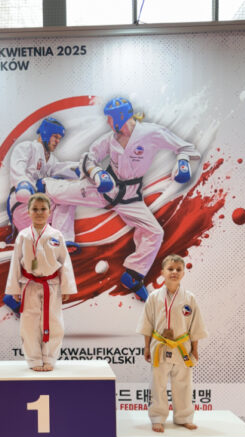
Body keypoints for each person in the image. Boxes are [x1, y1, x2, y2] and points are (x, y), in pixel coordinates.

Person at [39, 97, 201, 301]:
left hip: (130, 197)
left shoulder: (151, 133)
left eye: (110, 118)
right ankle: (43, 185)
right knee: (60, 193)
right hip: (104, 189)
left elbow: (185, 148)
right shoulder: (110, 139)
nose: (108, 122)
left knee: (155, 232)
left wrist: (182, 162)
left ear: (120, 117)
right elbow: (88, 158)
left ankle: (133, 275)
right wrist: (97, 173)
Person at [4, 116, 79, 314]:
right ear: (45, 134)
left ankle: (63, 240)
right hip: (22, 204)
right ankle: (60, 241)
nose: (57, 141)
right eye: (55, 137)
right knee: (35, 249)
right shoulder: (26, 148)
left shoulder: (51, 160)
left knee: (68, 196)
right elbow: (18, 169)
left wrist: (85, 169)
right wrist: (24, 184)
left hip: (41, 207)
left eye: (59, 138)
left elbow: (64, 169)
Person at [5, 193, 77, 371]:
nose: (39, 212)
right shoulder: (23, 236)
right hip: (29, 284)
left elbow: (65, 262)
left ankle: (50, 358)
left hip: (51, 285)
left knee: (54, 322)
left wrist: (67, 287)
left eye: (43, 209)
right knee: (29, 323)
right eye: (35, 209)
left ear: (50, 212)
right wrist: (14, 289)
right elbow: (15, 263)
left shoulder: (56, 235)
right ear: (28, 212)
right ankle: (34, 359)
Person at [137, 254, 208, 433]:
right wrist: (146, 347)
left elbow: (195, 326)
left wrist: (195, 349)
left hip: (182, 347)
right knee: (158, 383)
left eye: (178, 269)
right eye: (170, 269)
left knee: (184, 383)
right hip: (159, 346)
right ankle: (157, 417)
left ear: (183, 273)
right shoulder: (154, 297)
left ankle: (184, 417)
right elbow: (147, 324)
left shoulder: (189, 298)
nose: (174, 272)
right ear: (162, 272)